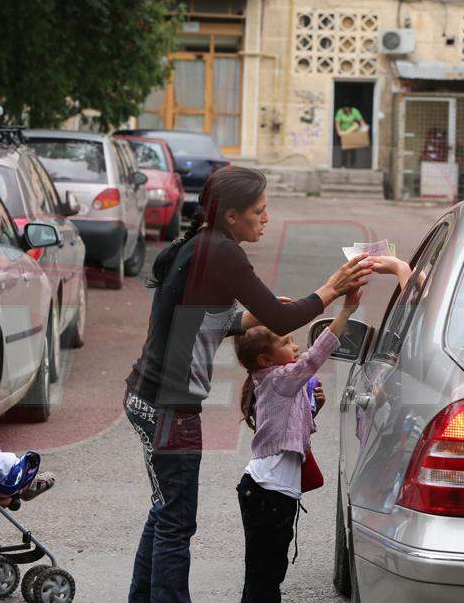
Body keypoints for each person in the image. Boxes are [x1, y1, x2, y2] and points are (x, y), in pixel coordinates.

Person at [124, 165, 373, 603]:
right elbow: (281, 320)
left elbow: (215, 324)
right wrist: (332, 289)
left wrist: (262, 313)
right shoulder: (222, 253)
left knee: (165, 512)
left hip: (144, 397)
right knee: (177, 522)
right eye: (259, 211)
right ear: (232, 216)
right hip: (169, 408)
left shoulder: (200, 246)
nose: (266, 219)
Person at [232, 287, 361, 602]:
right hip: (267, 493)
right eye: (286, 342)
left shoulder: (276, 381)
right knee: (265, 576)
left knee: (267, 573)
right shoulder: (280, 378)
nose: (296, 347)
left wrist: (310, 408)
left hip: (270, 492)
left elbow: (290, 427)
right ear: (265, 358)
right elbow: (315, 357)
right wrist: (346, 310)